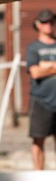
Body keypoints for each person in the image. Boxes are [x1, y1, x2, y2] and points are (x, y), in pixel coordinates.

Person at [25, 9, 56, 170]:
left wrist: (46, 66)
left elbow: (40, 69)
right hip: (41, 100)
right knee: (39, 139)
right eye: (45, 22)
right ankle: (39, 178)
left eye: (51, 21)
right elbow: (35, 72)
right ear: (38, 25)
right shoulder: (33, 48)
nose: (49, 25)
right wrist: (53, 67)